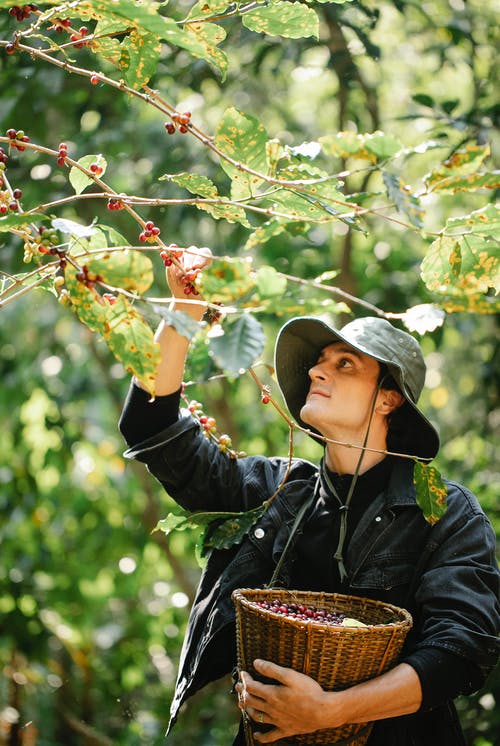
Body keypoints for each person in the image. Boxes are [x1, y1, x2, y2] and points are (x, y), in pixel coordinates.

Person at [118, 250, 500, 746]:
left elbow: (460, 651)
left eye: (345, 364)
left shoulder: (445, 512)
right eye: (318, 364)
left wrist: (329, 711)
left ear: (388, 398)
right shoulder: (272, 492)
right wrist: (185, 307)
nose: (319, 372)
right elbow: (152, 424)